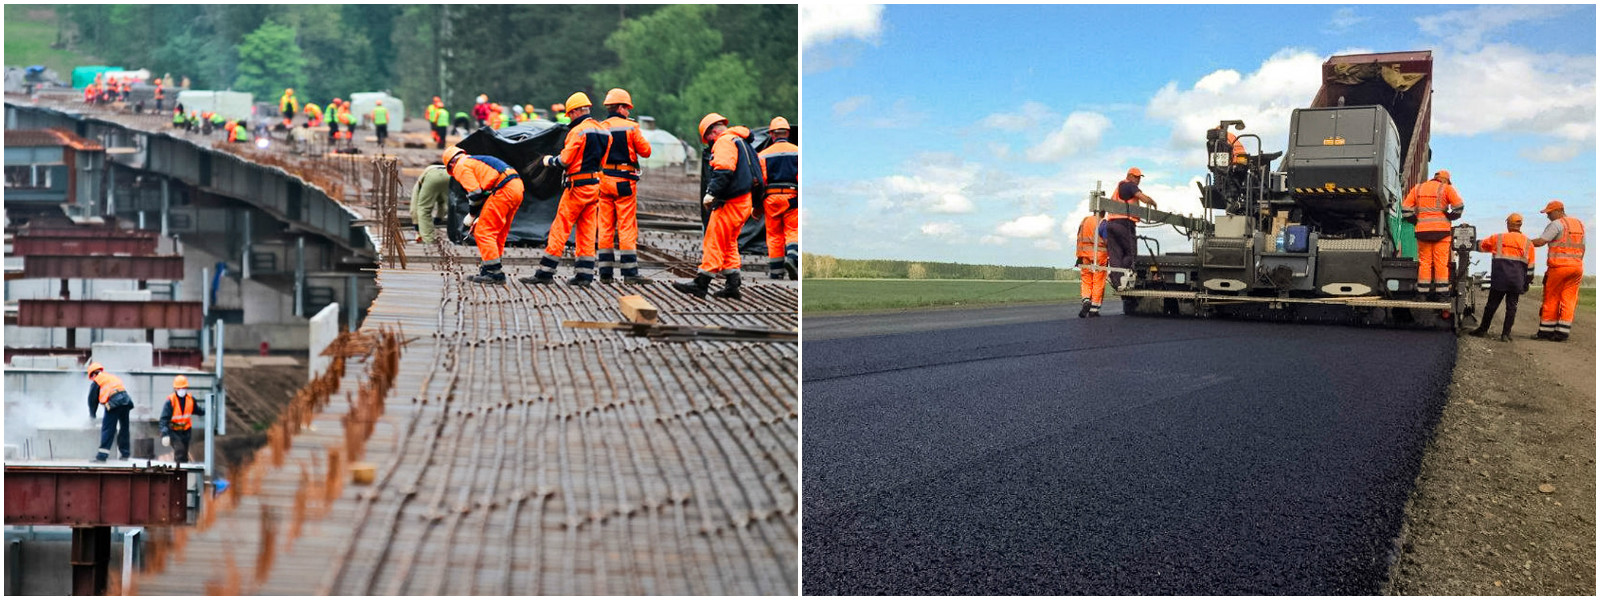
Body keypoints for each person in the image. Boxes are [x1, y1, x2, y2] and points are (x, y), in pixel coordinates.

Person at [524, 92, 609, 287]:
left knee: (560, 228)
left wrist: (547, 161)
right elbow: (603, 161)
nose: (569, 118)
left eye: (570, 114)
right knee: (587, 231)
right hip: (595, 185)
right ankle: (584, 276)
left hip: (577, 187)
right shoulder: (604, 131)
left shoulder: (577, 132)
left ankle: (545, 273)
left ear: (578, 111)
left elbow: (565, 160)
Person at [672, 113, 758, 300]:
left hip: (731, 202)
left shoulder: (724, 141)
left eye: (708, 138)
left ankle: (701, 284)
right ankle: (733, 285)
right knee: (729, 243)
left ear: (713, 132)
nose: (709, 143)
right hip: (744, 201)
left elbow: (724, 169)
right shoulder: (741, 141)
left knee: (714, 240)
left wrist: (711, 192)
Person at [596, 88, 654, 284]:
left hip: (604, 180)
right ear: (620, 107)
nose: (628, 112)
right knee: (626, 226)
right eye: (627, 108)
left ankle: (605, 273)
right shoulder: (631, 128)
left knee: (605, 226)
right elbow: (646, 151)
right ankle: (630, 274)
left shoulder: (601, 127)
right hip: (624, 181)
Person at [444, 146, 524, 284]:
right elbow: (483, 193)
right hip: (516, 187)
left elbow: (475, 193)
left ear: (451, 164)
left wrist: (472, 215)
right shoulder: (473, 160)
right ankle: (490, 269)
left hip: (503, 189)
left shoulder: (460, 166)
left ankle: (494, 273)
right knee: (498, 232)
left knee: (483, 232)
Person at [1469, 213, 1535, 342]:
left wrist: (1466, 242)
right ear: (1520, 225)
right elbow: (1531, 268)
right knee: (1511, 307)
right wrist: (1526, 283)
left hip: (1500, 278)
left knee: (1491, 305)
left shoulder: (1498, 238)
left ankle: (1483, 330)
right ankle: (1505, 334)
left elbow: (1480, 246)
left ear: (1508, 224)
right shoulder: (1528, 243)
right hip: (1516, 281)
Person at [1401, 170, 1465, 301]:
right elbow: (1459, 207)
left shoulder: (1418, 188)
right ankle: (1442, 295)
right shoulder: (1446, 188)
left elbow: (1405, 209)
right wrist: (1449, 216)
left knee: (1424, 263)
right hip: (1442, 232)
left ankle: (1422, 294)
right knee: (1440, 263)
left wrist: (1416, 221)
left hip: (1422, 232)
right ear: (1445, 180)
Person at [1529, 200, 1585, 341]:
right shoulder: (1579, 224)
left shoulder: (1557, 224)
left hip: (1559, 268)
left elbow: (1542, 242)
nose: (1547, 216)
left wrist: (1524, 242)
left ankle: (1545, 332)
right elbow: (1583, 248)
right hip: (1577, 268)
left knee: (1551, 298)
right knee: (1569, 300)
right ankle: (1562, 333)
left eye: (1549, 213)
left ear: (1559, 211)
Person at [1104, 167, 1157, 290]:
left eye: (1139, 177)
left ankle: (1117, 281)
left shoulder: (1120, 187)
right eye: (1136, 177)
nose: (1138, 180)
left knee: (1116, 255)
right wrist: (1153, 202)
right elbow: (1143, 198)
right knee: (1131, 253)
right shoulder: (1129, 185)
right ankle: (1123, 275)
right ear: (1129, 176)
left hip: (1111, 224)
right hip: (1124, 223)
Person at [759, 116, 799, 280]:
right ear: (788, 133)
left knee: (774, 235)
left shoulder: (762, 155)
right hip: (792, 196)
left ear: (772, 135)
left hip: (771, 198)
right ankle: (792, 257)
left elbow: (760, 182)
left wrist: (757, 206)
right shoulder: (798, 152)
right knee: (793, 230)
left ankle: (776, 273)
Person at [87, 362, 134, 462]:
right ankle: (125, 454)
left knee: (108, 428)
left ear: (93, 374)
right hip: (126, 401)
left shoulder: (97, 380)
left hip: (113, 403)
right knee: (124, 428)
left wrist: (92, 416)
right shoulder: (111, 377)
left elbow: (92, 400)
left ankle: (102, 456)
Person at [159, 375, 206, 464]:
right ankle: (178, 472)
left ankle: (183, 471)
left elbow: (197, 410)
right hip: (174, 431)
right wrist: (164, 433)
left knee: (184, 453)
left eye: (183, 388)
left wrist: (207, 410)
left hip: (186, 431)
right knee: (179, 451)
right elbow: (164, 419)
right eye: (179, 388)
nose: (182, 390)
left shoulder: (190, 399)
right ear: (175, 389)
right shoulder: (170, 401)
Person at [1076, 210, 1109, 317]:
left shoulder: (1084, 221)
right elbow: (1106, 241)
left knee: (1086, 280)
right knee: (1098, 282)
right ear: (1104, 212)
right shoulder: (1102, 223)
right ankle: (1094, 309)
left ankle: (1086, 300)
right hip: (1099, 256)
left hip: (1084, 255)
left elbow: (1079, 239)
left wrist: (1079, 256)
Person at [410, 163, 452, 244]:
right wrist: (439, 218)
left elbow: (414, 207)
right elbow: (443, 204)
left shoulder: (423, 178)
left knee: (424, 208)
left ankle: (428, 240)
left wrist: (417, 227)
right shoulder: (444, 170)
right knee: (454, 208)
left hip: (432, 177)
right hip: (450, 175)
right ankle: (459, 238)